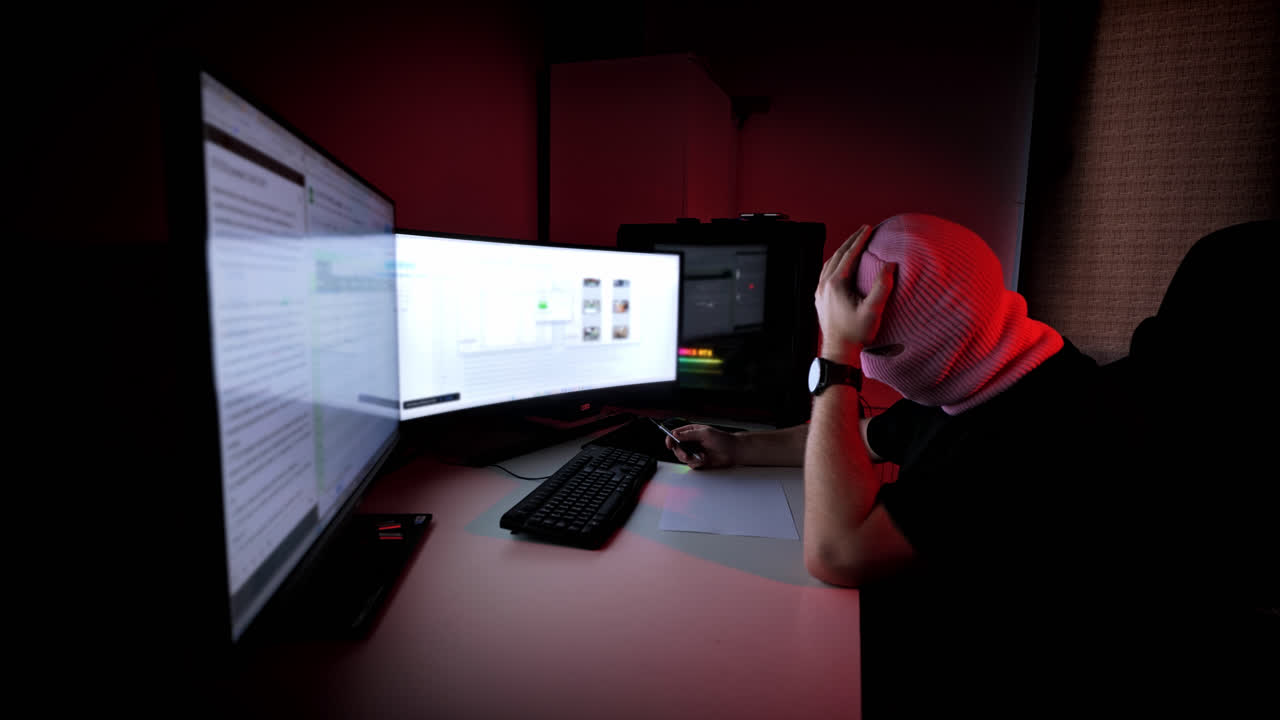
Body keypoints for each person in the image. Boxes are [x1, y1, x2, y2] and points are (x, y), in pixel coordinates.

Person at [662, 213, 1271, 716]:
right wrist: (737, 447)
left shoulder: (1026, 437)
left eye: (872, 346)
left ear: (913, 344)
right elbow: (867, 435)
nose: (869, 364)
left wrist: (837, 361)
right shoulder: (999, 365)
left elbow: (837, 554)